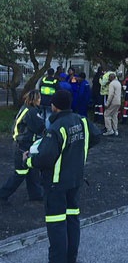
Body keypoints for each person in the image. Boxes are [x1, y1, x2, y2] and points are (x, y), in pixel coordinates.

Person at [23, 90, 101, 263]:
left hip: (56, 185)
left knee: (57, 225)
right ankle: (71, 258)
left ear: (54, 106)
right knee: (72, 221)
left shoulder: (56, 128)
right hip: (75, 181)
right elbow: (96, 136)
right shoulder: (81, 121)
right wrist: (78, 150)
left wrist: (29, 160)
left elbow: (45, 158)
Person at [0, 90, 45, 203]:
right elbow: (40, 127)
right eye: (39, 98)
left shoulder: (26, 108)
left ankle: (35, 194)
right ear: (34, 99)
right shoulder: (32, 112)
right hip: (24, 145)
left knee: (32, 170)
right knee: (21, 173)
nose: (40, 100)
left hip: (22, 144)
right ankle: (2, 195)